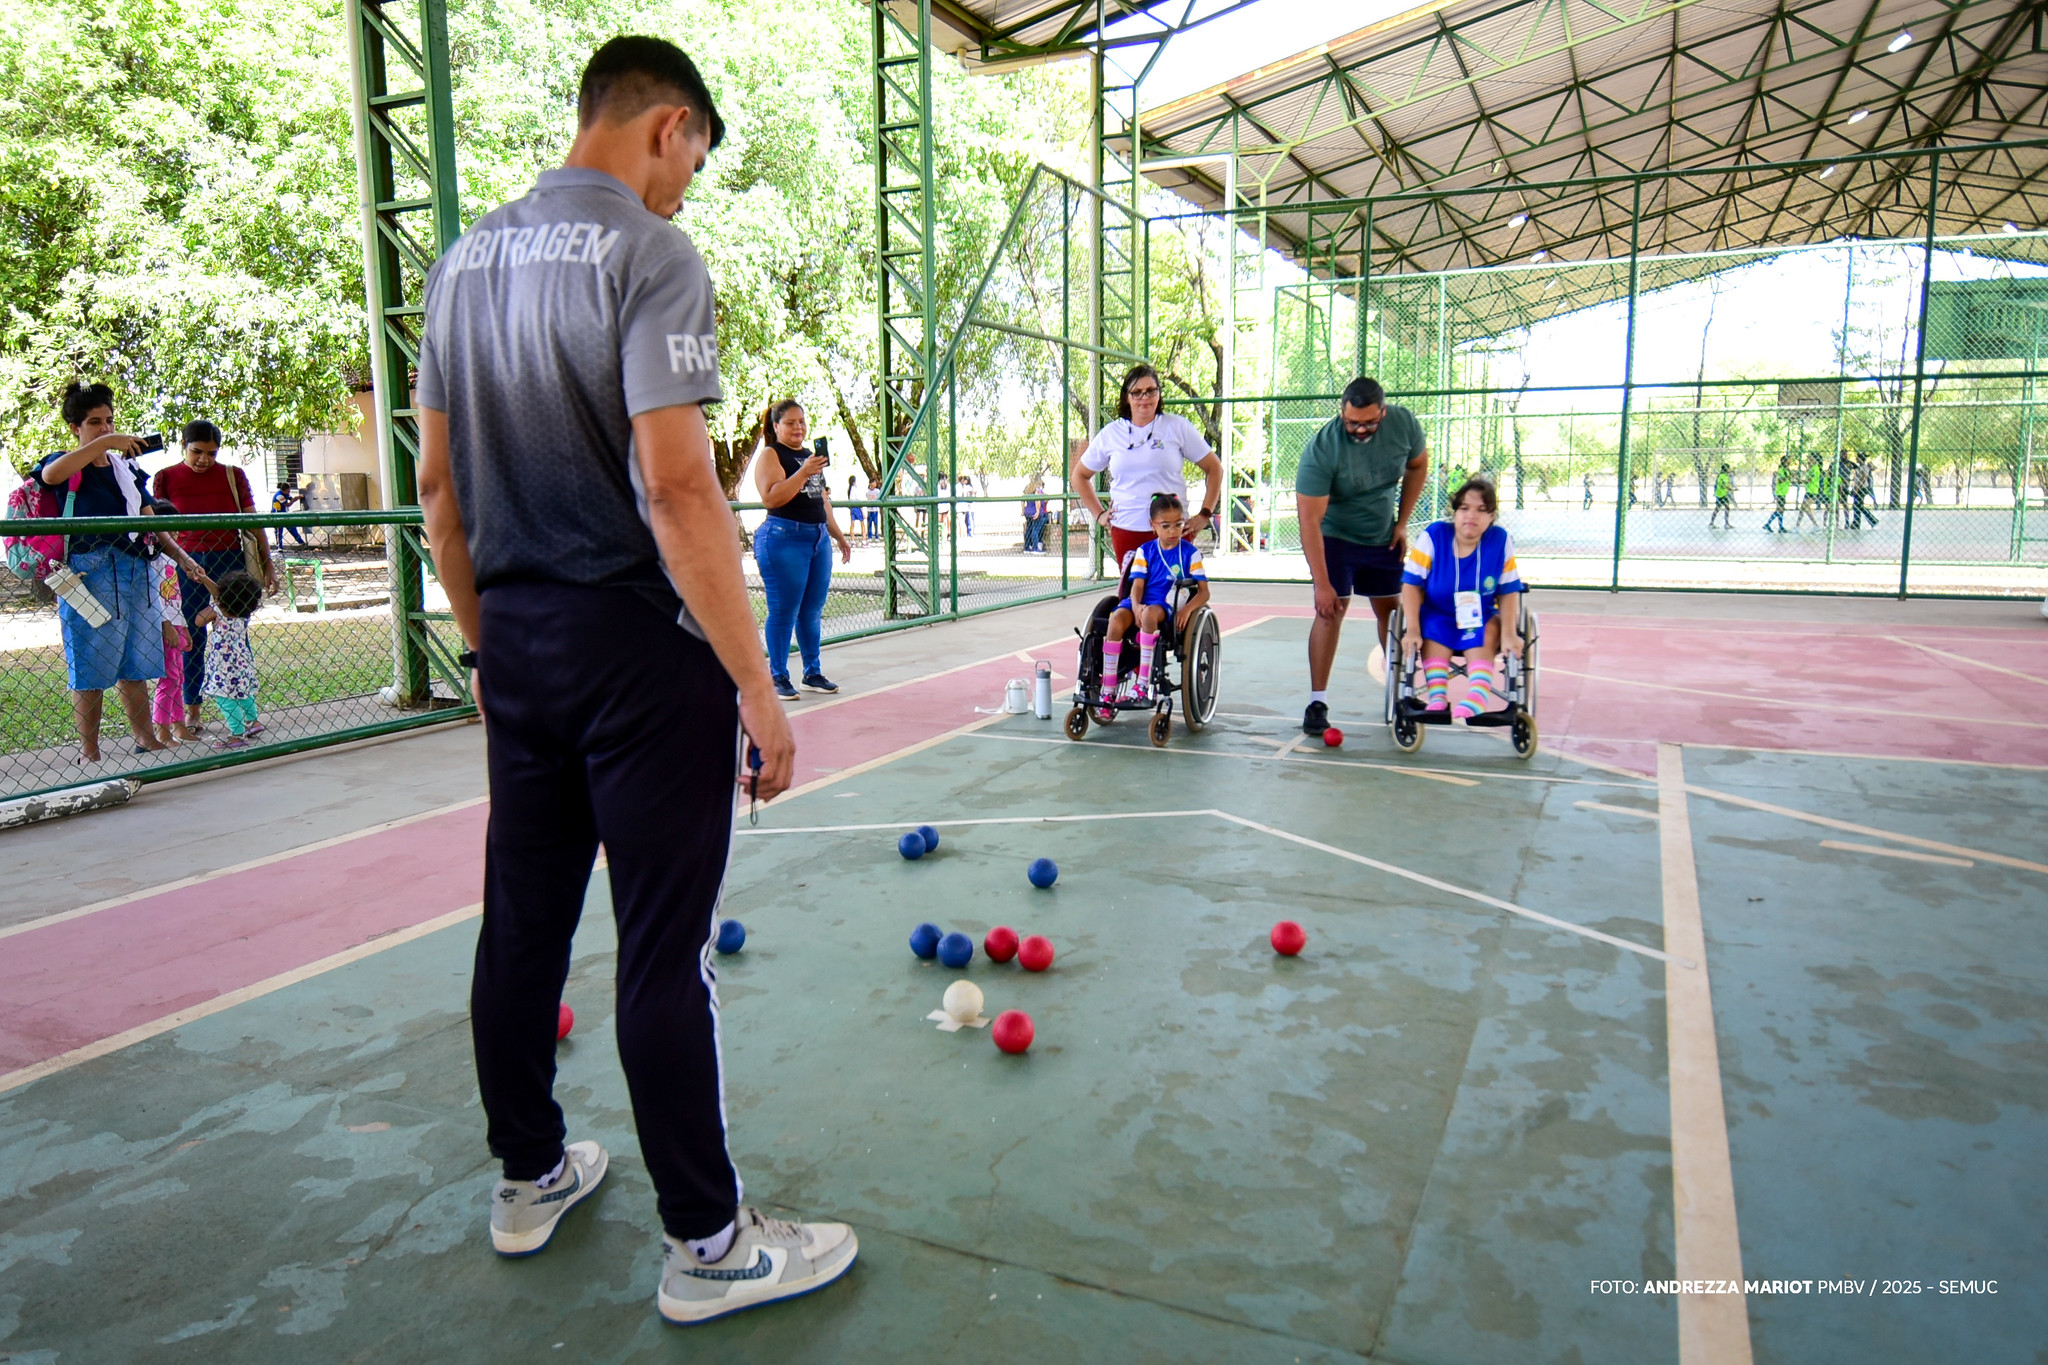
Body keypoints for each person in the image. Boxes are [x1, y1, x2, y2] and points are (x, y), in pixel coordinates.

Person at [414, 36, 854, 1327]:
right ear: (665, 126)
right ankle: (709, 1243)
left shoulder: (458, 267)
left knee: (523, 923)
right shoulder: (650, 255)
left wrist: (491, 645)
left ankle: (530, 1171)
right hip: (635, 653)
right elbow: (674, 489)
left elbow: (440, 492)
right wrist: (758, 691)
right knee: (665, 953)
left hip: (525, 645)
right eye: (696, 160)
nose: (690, 189)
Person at [37, 382, 209, 762]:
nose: (105, 428)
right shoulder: (65, 464)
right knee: (90, 662)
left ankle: (145, 737)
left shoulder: (125, 470)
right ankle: (90, 751)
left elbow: (151, 522)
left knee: (136, 661)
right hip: (91, 576)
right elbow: (49, 476)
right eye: (95, 422)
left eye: (110, 421)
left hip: (136, 574)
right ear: (75, 427)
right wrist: (106, 442)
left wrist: (181, 557)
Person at [1293, 374, 1430, 736]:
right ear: (1342, 413)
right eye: (1353, 422)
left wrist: (1401, 523)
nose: (1361, 429)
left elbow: (1418, 465)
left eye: (1369, 422)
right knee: (1330, 611)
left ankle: (1401, 691)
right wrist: (1322, 584)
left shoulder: (1404, 425)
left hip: (1381, 534)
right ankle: (1316, 702)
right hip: (1335, 535)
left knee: (1393, 609)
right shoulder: (1323, 448)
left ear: (1383, 413)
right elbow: (1309, 521)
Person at [153, 420, 275, 731]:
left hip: (230, 563)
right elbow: (158, 528)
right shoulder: (165, 477)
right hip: (185, 563)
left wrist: (268, 563)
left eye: (211, 453)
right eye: (197, 451)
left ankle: (246, 714)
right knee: (191, 638)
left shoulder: (233, 475)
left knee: (235, 636)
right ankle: (192, 710)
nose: (203, 459)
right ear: (183, 445)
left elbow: (253, 521)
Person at [1071, 364, 1222, 573]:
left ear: (1159, 394)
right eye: (1137, 392)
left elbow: (1214, 468)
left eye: (1151, 390)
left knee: (1175, 594)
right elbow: (1079, 476)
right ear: (1127, 397)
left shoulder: (1177, 427)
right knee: (1134, 595)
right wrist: (1100, 514)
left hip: (1172, 530)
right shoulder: (1111, 434)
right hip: (1127, 528)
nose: (1145, 397)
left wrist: (1204, 514)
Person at [1398, 477, 1523, 720]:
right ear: (1454, 513)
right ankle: (1437, 697)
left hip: (1480, 615)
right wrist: (1412, 629)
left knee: (1488, 628)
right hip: (1438, 612)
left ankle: (1477, 696)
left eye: (1481, 510)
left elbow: (1508, 590)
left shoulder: (1500, 541)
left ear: (1491, 517)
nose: (1471, 516)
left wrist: (1509, 633)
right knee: (1431, 626)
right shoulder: (1433, 537)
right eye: (1464, 508)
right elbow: (1411, 585)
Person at [752, 399, 852, 698]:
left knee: (811, 611)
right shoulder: (772, 455)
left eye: (802, 422)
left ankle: (812, 672)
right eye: (791, 423)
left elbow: (821, 501)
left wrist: (838, 536)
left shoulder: (810, 456)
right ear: (776, 426)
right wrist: (803, 473)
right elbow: (772, 498)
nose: (798, 428)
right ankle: (778, 675)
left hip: (816, 539)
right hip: (784, 538)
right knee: (783, 611)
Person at [1100, 492, 1208, 707]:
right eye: (1165, 526)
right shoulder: (1144, 551)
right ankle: (1108, 688)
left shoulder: (1190, 553)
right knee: (1116, 618)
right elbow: (1137, 585)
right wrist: (1137, 605)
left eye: (1178, 524)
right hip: (1140, 600)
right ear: (1153, 525)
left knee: (1149, 614)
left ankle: (1143, 684)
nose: (1173, 531)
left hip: (1165, 603)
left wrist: (1186, 610)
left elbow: (1204, 592)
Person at [194, 569, 264, 748]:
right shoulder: (244, 612)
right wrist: (204, 579)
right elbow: (226, 595)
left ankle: (237, 734)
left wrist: (214, 604)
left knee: (225, 698)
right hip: (241, 660)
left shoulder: (217, 610)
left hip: (223, 664)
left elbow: (198, 621)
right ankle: (252, 722)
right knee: (243, 692)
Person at [149, 501, 197, 745]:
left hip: (176, 624)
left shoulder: (171, 560)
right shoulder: (153, 561)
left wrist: (184, 626)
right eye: (169, 530)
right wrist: (168, 626)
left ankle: (179, 726)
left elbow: (174, 599)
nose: (175, 534)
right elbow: (156, 598)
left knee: (178, 677)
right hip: (163, 626)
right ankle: (162, 730)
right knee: (168, 679)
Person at [271, 480, 308, 550]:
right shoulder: (279, 496)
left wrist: (297, 497)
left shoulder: (286, 494)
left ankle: (301, 543)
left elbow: (290, 498)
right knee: (279, 532)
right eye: (287, 491)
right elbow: (288, 504)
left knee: (292, 528)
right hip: (277, 515)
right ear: (283, 490)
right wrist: (294, 500)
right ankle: (279, 546)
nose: (289, 492)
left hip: (285, 514)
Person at [1762, 457, 1791, 533]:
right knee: (1780, 509)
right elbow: (1781, 480)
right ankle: (1768, 524)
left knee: (1781, 510)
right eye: (1788, 460)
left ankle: (1780, 527)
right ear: (1785, 462)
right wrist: (1788, 477)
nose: (1790, 462)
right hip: (1780, 493)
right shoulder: (1781, 470)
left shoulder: (1786, 470)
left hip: (1784, 492)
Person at [1709, 463, 1735, 528]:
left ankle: (1724, 523)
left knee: (1724, 508)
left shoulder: (1726, 476)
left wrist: (1731, 488)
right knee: (1722, 508)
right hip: (1720, 494)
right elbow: (1722, 485)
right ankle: (1724, 524)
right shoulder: (1722, 476)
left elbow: (1727, 484)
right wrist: (1729, 488)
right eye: (1728, 468)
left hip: (1723, 494)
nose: (1729, 469)